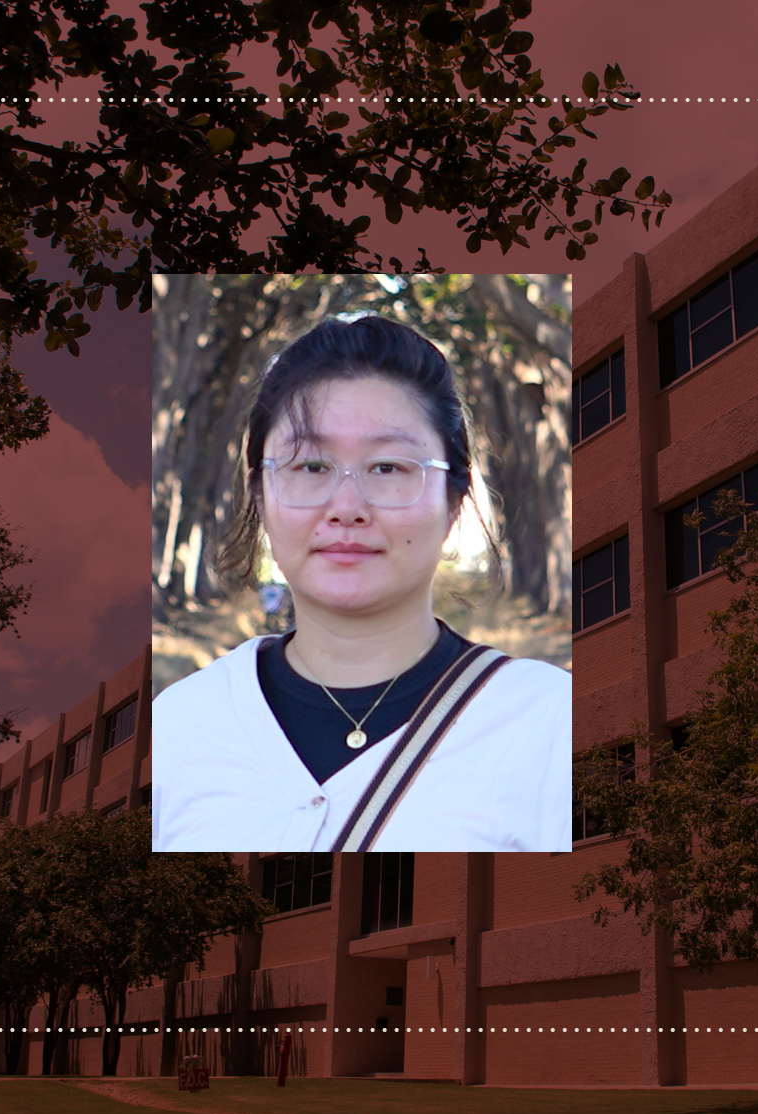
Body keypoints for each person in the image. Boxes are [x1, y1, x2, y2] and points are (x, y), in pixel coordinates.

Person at [153, 315, 571, 851]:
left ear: (453, 502)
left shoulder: (554, 723)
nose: (346, 507)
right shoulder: (177, 726)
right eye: (310, 466)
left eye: (388, 468)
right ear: (259, 494)